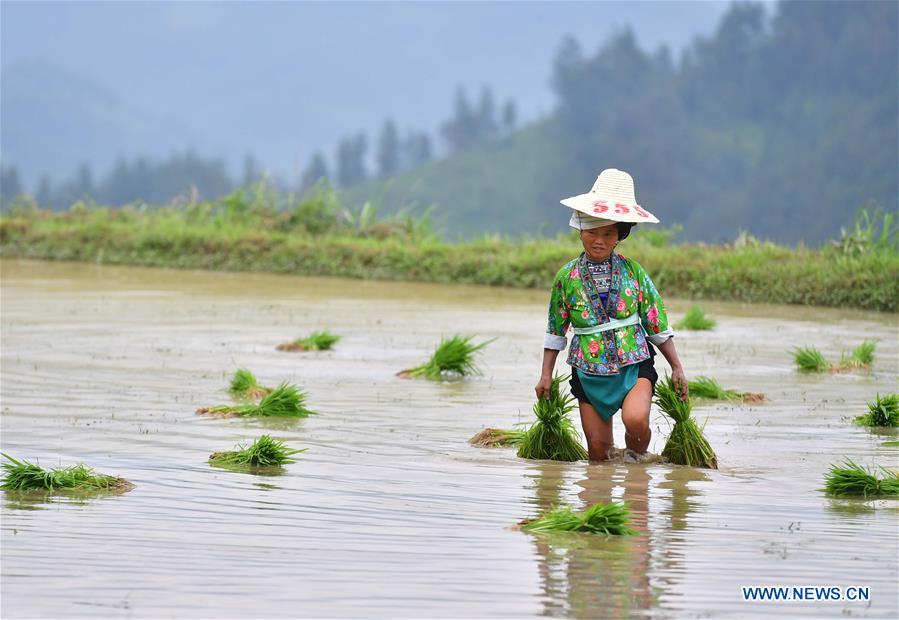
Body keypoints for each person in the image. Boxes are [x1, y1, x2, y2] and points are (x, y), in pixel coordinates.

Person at [534, 168, 688, 462]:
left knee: (636, 422)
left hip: (634, 364)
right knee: (598, 454)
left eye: (607, 233)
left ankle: (637, 465)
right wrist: (545, 375)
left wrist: (677, 367)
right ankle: (604, 502)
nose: (599, 241)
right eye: (592, 232)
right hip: (588, 371)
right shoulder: (566, 277)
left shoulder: (634, 273)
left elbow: (656, 323)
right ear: (580, 230)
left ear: (619, 235)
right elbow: (556, 330)